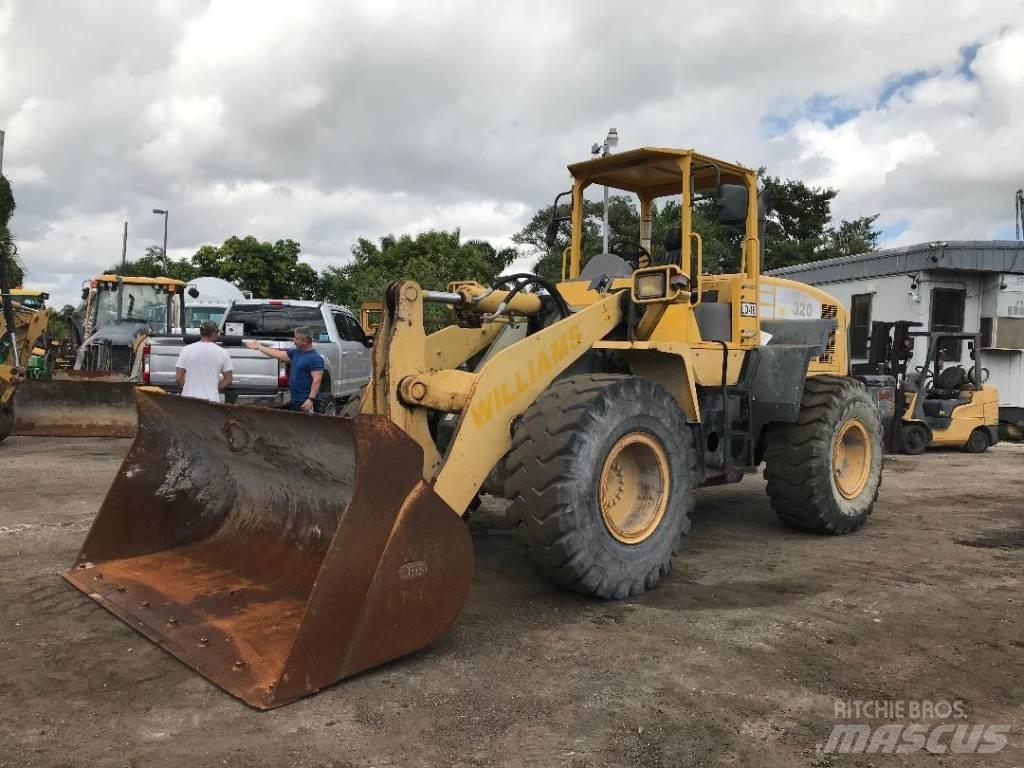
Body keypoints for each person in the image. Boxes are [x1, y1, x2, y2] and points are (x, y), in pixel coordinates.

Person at [245, 326, 324, 412]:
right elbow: (279, 354)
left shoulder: (315, 358)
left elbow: (317, 380)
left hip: (306, 402)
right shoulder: (296, 352)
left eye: (296, 338)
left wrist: (310, 400)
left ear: (305, 341)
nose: (294, 340)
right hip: (296, 400)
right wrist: (259, 347)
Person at [175, 320, 234, 402]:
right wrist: (213, 389)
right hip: (211, 401)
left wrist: (187, 390)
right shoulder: (223, 352)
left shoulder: (186, 350)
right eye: (217, 332)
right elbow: (228, 380)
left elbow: (178, 378)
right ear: (213, 333)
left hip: (188, 401)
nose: (218, 335)